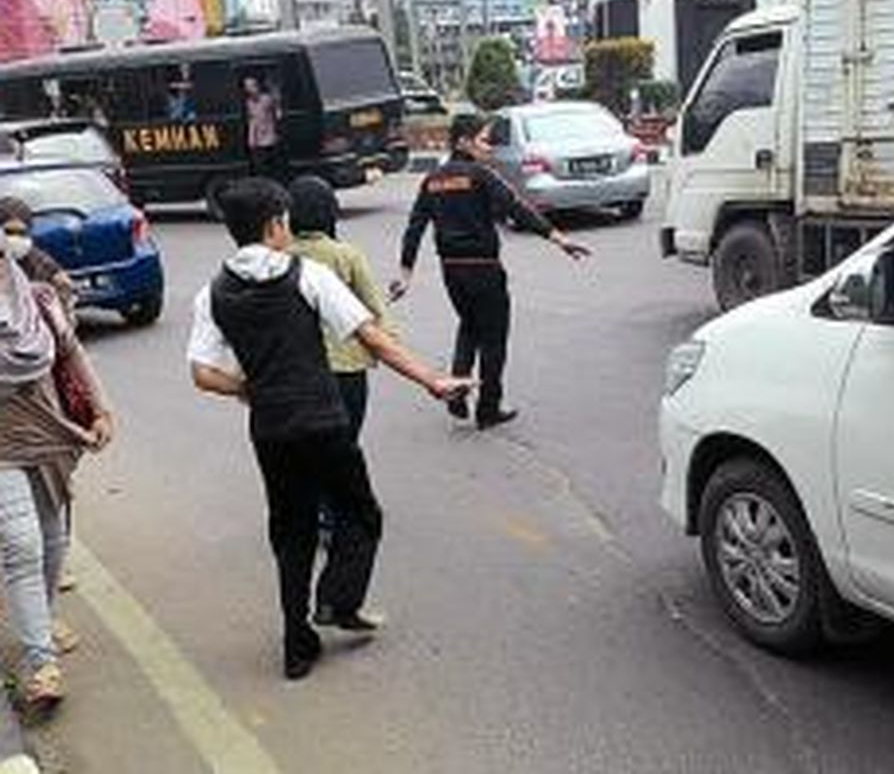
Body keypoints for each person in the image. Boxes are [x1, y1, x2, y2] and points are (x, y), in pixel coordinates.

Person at [186, 178, 472, 680]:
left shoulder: (212, 293)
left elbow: (203, 374)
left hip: (270, 430)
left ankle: (297, 646)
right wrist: (431, 380)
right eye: (285, 221)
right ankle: (338, 602)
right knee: (361, 515)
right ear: (275, 225)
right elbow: (373, 340)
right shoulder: (308, 276)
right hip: (322, 420)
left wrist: (249, 390)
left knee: (290, 532)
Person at [391, 113, 591, 430]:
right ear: (463, 142)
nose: (490, 147)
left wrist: (405, 275)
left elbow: (414, 228)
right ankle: (488, 408)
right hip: (484, 269)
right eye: (484, 140)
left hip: (452, 271)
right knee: (494, 339)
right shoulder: (481, 176)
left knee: (469, 326)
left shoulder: (432, 181)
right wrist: (557, 238)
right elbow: (517, 208)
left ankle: (457, 392)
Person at [0, 224, 114, 710]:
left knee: (52, 542)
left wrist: (101, 408)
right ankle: (40, 661)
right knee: (21, 546)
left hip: (48, 436)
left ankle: (41, 620)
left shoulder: (40, 301)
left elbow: (71, 353)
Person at [288, 176, 394, 439]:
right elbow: (375, 311)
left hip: (297, 372)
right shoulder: (346, 255)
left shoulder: (281, 256)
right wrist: (391, 349)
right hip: (346, 371)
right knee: (346, 444)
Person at [243, 77, 284, 182]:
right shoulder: (248, 103)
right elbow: (251, 121)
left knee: (274, 167)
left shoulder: (267, 99)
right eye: (247, 87)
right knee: (259, 168)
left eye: (251, 86)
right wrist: (251, 139)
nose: (249, 89)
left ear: (257, 87)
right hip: (257, 141)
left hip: (271, 138)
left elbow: (278, 108)